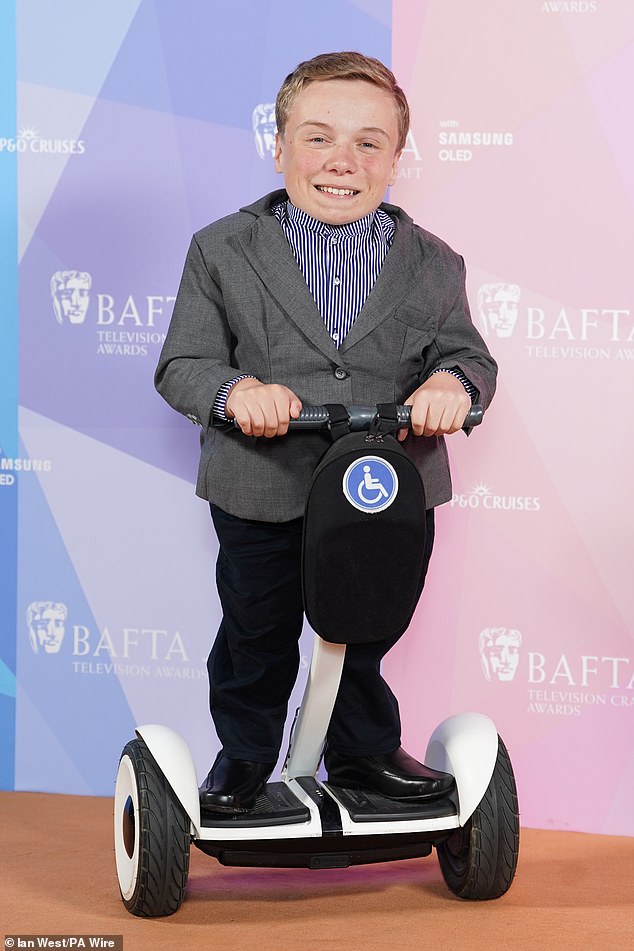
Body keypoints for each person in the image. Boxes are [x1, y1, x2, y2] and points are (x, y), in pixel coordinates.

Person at [155, 51, 497, 814]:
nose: (343, 161)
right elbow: (183, 362)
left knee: (365, 625)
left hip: (383, 485)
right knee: (258, 627)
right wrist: (236, 391)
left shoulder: (433, 262)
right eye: (318, 138)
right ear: (280, 147)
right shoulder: (222, 249)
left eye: (369, 143)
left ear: (396, 159)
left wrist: (454, 383)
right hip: (262, 480)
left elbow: (467, 354)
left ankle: (363, 751)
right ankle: (246, 754)